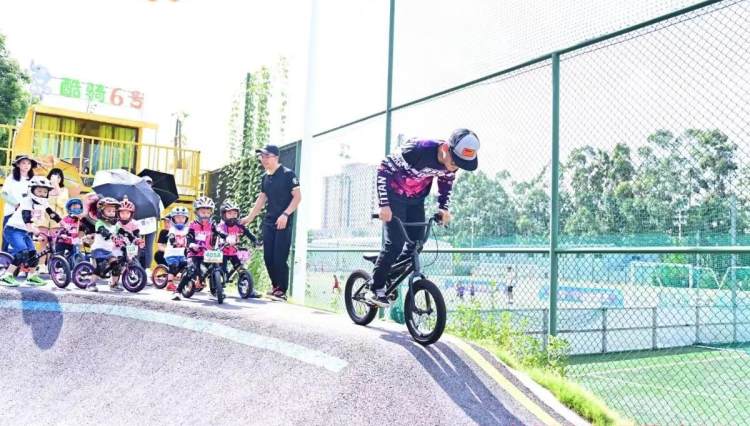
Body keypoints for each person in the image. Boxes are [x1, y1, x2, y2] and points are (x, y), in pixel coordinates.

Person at [367, 129, 480, 307]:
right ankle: (375, 287)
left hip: (416, 200)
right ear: (445, 148)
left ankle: (388, 274)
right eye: (454, 162)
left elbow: (446, 181)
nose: (454, 168)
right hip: (394, 196)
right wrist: (384, 204)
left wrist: (443, 209)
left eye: (459, 165)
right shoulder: (418, 149)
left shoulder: (451, 166)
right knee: (395, 243)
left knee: (417, 243)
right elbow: (384, 168)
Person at [241, 145, 301, 301]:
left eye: (267, 156)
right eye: (262, 157)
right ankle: (275, 287)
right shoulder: (265, 177)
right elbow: (262, 198)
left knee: (279, 257)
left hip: (283, 221)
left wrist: (286, 214)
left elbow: (297, 197)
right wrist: (249, 218)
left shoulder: (288, 174)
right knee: (268, 257)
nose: (264, 160)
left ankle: (282, 290)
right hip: (269, 221)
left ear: (276, 157)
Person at [0, 176, 61, 287]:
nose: (42, 194)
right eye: (39, 191)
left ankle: (31, 277)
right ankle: (6, 276)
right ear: (32, 190)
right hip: (13, 230)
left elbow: (52, 214)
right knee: (22, 252)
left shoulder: (44, 202)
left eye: (45, 192)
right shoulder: (27, 201)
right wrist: (33, 229)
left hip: (25, 232)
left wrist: (63, 223)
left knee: (33, 254)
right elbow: (26, 218)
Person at [216, 199, 260, 298]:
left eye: (235, 213)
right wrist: (226, 237)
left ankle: (249, 289)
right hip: (222, 252)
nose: (233, 216)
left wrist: (255, 241)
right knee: (222, 270)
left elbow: (247, 233)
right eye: (229, 213)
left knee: (241, 269)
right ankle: (219, 289)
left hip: (232, 252)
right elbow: (219, 231)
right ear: (223, 214)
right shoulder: (222, 226)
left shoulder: (238, 225)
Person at [37, 168, 69, 273]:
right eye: (54, 176)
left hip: (56, 220)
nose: (56, 179)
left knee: (54, 244)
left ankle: (52, 265)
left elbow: (61, 204)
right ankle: (41, 265)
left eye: (59, 177)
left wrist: (56, 187)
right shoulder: (44, 189)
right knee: (43, 241)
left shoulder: (64, 190)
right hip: (43, 219)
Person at [2, 155, 35, 252]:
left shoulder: (33, 179)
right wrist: (16, 204)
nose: (26, 165)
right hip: (11, 212)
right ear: (18, 165)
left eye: (28, 163)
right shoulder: (11, 178)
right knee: (8, 239)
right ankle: (4, 259)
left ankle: (25, 260)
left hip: (27, 214)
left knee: (26, 238)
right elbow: (4, 194)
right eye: (23, 163)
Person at [183, 196, 215, 293]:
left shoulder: (212, 225)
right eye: (203, 212)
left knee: (214, 267)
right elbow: (188, 237)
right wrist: (192, 244)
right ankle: (179, 290)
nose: (206, 215)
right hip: (194, 252)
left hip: (207, 253)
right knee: (194, 269)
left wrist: (225, 238)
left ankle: (215, 287)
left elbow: (219, 234)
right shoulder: (192, 225)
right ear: (196, 212)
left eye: (208, 213)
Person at [90, 197, 123, 292]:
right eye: (109, 211)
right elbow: (102, 231)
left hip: (108, 250)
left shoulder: (115, 225)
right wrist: (110, 235)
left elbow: (122, 231)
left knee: (116, 265)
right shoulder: (99, 223)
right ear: (101, 212)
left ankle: (114, 285)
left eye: (113, 211)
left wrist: (131, 237)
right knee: (100, 266)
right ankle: (91, 284)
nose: (112, 213)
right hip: (98, 249)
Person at [137, 175, 162, 272]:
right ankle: (136, 268)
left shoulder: (156, 196)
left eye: (149, 183)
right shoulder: (136, 194)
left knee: (149, 247)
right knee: (137, 247)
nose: (147, 184)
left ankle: (147, 269)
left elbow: (159, 211)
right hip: (138, 225)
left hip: (151, 226)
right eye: (145, 183)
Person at [167, 206, 193, 300]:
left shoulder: (187, 229)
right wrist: (173, 240)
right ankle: (169, 283)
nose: (180, 220)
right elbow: (171, 235)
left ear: (186, 219)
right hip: (172, 253)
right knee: (173, 266)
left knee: (187, 265)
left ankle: (188, 282)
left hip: (182, 253)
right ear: (173, 219)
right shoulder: (172, 229)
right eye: (177, 217)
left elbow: (191, 236)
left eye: (183, 217)